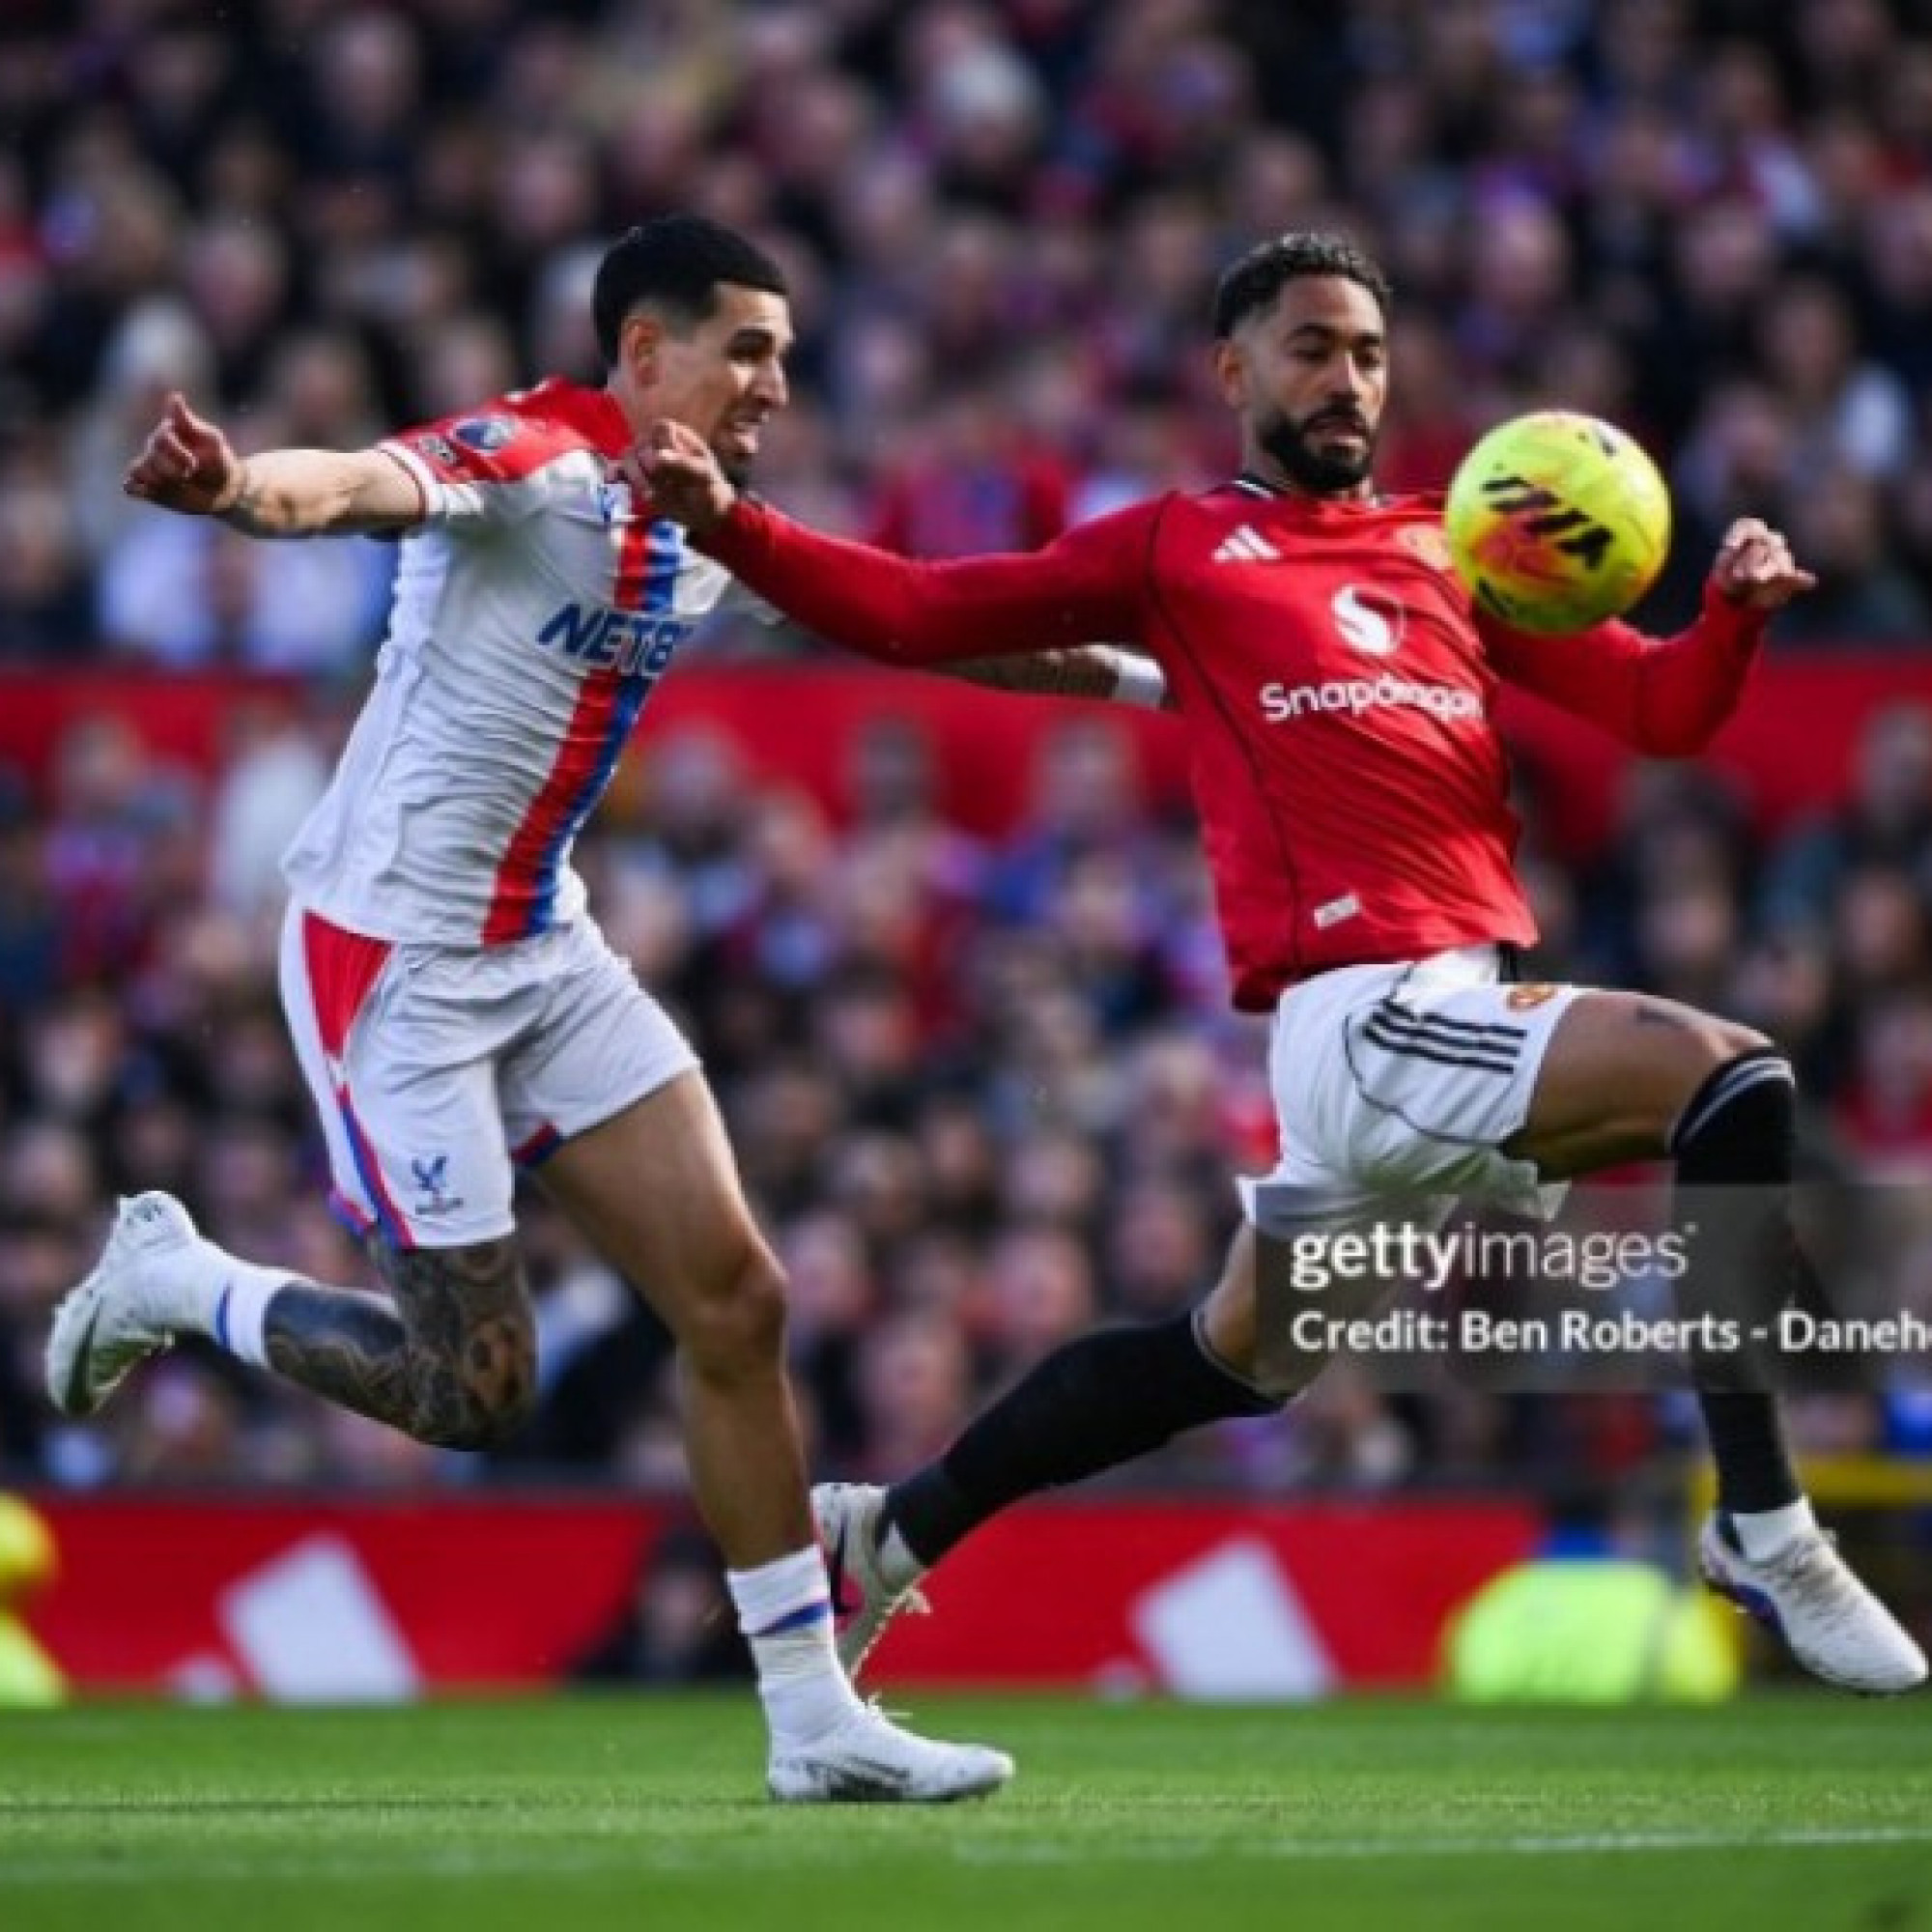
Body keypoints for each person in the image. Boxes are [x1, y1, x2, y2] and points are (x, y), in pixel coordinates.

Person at [640, 229, 1929, 1697]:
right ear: (1232, 369)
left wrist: (1731, 622)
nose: (1347, 380)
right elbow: (922, 610)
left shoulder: (1461, 547)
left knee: (1223, 1361)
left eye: (1370, 354)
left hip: (1434, 1022)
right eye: (1313, 348)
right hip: (1370, 1019)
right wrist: (734, 522)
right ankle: (1766, 1522)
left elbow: (1659, 713)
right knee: (1734, 1078)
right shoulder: (1176, 546)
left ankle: (890, 1531)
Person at [44, 214, 1156, 1800]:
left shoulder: (711, 524)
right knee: (471, 1396)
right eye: (747, 350)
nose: (778, 383)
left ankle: (810, 1718)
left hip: (546, 950)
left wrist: (1171, 684)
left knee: (739, 1301)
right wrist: (232, 490)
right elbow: (355, 483)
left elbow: (932, 625)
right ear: (647, 354)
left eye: (784, 352)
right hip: (397, 964)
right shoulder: (528, 457)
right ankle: (183, 1280)